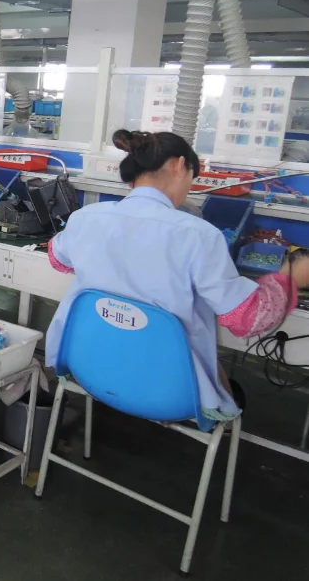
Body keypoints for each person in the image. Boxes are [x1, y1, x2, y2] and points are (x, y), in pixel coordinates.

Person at [47, 129, 309, 421]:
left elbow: (57, 259)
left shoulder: (86, 218)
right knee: (220, 379)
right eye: (192, 178)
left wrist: (108, 267)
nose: (188, 189)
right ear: (179, 165)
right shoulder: (199, 236)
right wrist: (291, 278)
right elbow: (248, 320)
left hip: (90, 370)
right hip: (170, 394)